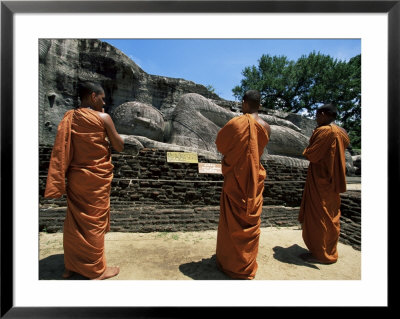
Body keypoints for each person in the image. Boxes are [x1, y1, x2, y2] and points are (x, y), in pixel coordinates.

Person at [44, 81, 124, 280]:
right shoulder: (103, 118)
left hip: (76, 177)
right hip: (96, 179)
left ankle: (70, 266)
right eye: (102, 98)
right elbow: (119, 146)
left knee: (74, 221)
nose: (104, 103)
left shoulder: (70, 117)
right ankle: (97, 270)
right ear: (93, 96)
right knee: (93, 223)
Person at [215, 90, 271, 279]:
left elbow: (221, 145)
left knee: (231, 226)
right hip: (253, 182)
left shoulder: (236, 123)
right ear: (260, 106)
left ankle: (230, 262)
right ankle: (245, 262)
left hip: (235, 181)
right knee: (250, 221)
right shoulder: (266, 127)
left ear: (244, 103)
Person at [298, 103, 350, 264]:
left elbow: (312, 155)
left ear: (323, 114)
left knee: (319, 217)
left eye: (317, 114)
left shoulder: (324, 131)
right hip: (333, 182)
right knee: (331, 215)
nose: (316, 117)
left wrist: (307, 150)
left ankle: (320, 254)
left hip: (321, 181)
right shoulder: (342, 132)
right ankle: (329, 249)